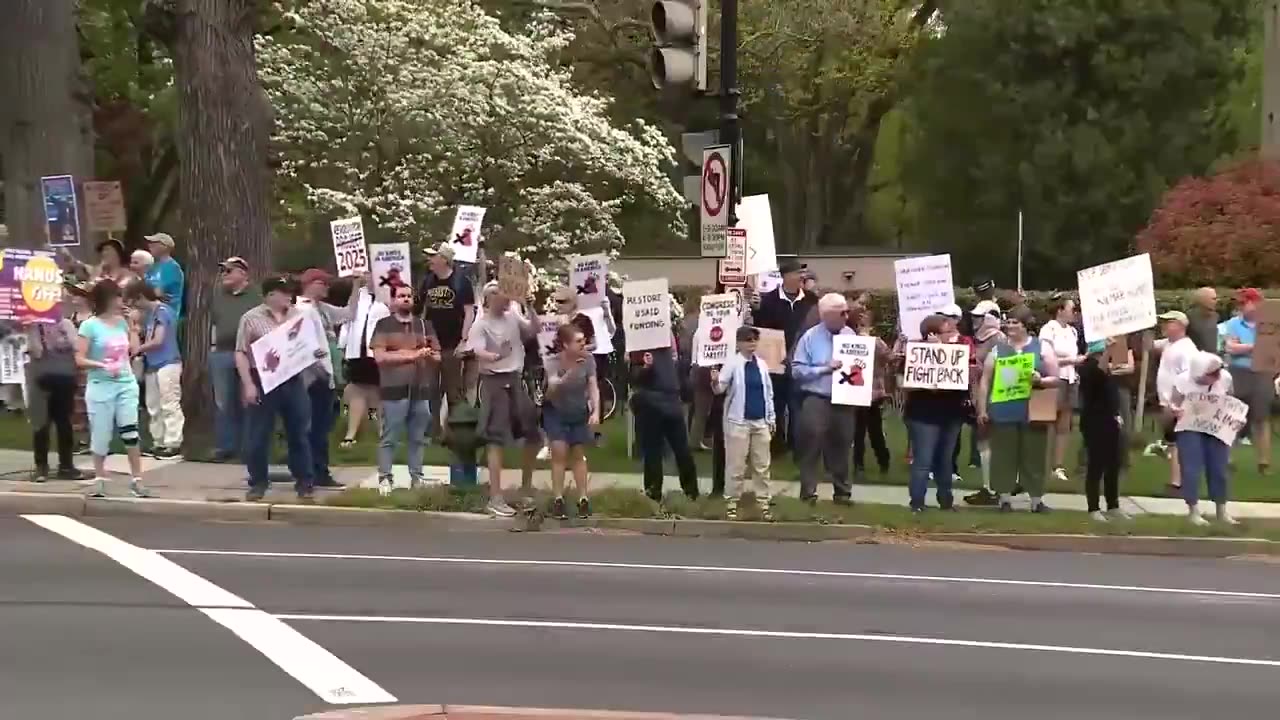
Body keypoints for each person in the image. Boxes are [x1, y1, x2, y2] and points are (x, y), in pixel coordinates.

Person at [235, 276, 320, 502]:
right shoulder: (251, 318)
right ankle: (258, 482)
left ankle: (304, 480)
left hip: (292, 379)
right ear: (270, 295)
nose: (288, 296)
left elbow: (307, 345)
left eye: (289, 292)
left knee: (299, 431)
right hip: (262, 379)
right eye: (283, 292)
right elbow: (241, 352)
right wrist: (248, 384)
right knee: (258, 434)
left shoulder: (298, 315)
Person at [976, 305, 1060, 513]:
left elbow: (1057, 377)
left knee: (1034, 454)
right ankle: (1004, 498)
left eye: (1015, 322)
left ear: (1026, 325)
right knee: (1003, 455)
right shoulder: (998, 350)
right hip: (1004, 409)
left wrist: (1041, 379)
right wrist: (982, 409)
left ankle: (1036, 500)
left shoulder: (1042, 347)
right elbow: (985, 381)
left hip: (1033, 410)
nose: (1010, 326)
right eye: (1009, 322)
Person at [468, 282, 540, 517]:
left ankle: (525, 488)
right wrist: (499, 354)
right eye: (501, 293)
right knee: (496, 439)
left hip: (515, 379)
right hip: (495, 383)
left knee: (533, 434)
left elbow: (533, 330)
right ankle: (495, 497)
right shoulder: (481, 324)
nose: (507, 295)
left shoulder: (513, 317)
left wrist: (530, 306)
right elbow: (478, 352)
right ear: (489, 299)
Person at [74, 280, 148, 498]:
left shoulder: (122, 322)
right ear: (105, 299)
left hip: (125, 382)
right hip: (100, 384)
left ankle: (137, 479)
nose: (120, 301)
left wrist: (134, 328)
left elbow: (133, 350)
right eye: (116, 296)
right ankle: (100, 478)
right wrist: (101, 365)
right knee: (101, 433)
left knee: (130, 431)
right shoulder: (90, 325)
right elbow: (79, 358)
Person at [371, 283, 441, 495]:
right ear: (393, 300)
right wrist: (411, 355)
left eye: (409, 296)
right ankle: (385, 477)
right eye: (401, 296)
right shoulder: (383, 325)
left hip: (420, 388)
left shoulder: (424, 325)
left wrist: (430, 355)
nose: (406, 299)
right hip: (393, 389)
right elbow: (380, 357)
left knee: (418, 437)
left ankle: (417, 477)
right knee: (390, 435)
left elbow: (438, 356)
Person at [791, 292, 857, 504]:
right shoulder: (809, 338)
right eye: (842, 313)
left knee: (842, 444)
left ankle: (842, 493)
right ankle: (808, 493)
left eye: (847, 312)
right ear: (826, 315)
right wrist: (823, 369)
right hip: (817, 397)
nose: (847, 316)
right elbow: (797, 370)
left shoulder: (850, 335)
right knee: (811, 445)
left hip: (845, 398)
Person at [297, 268, 360, 488]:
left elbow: (349, 313)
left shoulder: (322, 309)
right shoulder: (302, 310)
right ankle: (315, 471)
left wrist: (356, 286)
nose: (327, 287)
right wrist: (319, 372)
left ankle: (315, 469)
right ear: (311, 284)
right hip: (314, 377)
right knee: (315, 427)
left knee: (323, 426)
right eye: (323, 283)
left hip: (328, 375)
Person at [903, 314, 970, 512]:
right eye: (948, 331)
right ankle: (917, 503)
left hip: (951, 413)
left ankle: (946, 501)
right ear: (932, 334)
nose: (954, 335)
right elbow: (904, 383)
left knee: (945, 460)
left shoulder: (957, 353)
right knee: (923, 460)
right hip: (924, 414)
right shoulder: (915, 354)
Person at [753, 258, 819, 451]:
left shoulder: (811, 300)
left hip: (802, 360)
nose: (802, 276)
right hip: (775, 362)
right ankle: (776, 445)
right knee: (776, 404)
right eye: (798, 273)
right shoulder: (768, 300)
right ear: (786, 276)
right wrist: (757, 312)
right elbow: (760, 329)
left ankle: (797, 444)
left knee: (798, 405)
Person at [1169, 352, 1238, 526]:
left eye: (1217, 373)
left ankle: (1221, 510)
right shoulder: (1182, 380)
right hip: (1190, 426)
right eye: (1211, 374)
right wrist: (1175, 410)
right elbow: (1173, 402)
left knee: (1219, 468)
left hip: (1215, 427)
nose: (1216, 378)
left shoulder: (1225, 378)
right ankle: (1193, 510)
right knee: (1191, 468)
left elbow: (1231, 400)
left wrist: (1235, 418)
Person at [715, 325, 775, 518]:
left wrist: (771, 418)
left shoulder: (762, 364)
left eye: (754, 340)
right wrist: (715, 381)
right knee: (736, 464)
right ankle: (731, 501)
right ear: (739, 343)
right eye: (748, 340)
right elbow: (720, 388)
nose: (752, 344)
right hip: (738, 421)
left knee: (762, 464)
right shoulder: (733, 363)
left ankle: (763, 501)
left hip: (760, 421)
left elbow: (768, 393)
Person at [418, 244, 477, 436]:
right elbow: (423, 312)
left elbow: (469, 312)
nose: (429, 260)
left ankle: (454, 431)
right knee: (430, 389)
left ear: (444, 259)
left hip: (453, 344)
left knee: (453, 390)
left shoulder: (461, 282)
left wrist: (464, 338)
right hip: (432, 345)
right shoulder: (427, 282)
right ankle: (432, 431)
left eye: (432, 256)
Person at [631, 340, 700, 502]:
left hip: (671, 403)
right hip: (651, 405)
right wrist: (645, 367)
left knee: (681, 449)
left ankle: (691, 492)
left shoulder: (671, 352)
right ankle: (654, 492)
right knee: (653, 451)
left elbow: (682, 377)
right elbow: (634, 378)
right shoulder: (640, 349)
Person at [543, 323, 600, 519]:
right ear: (566, 345)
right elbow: (552, 390)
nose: (583, 343)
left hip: (578, 410)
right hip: (556, 410)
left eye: (584, 340)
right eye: (578, 341)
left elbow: (593, 386)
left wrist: (596, 411)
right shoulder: (552, 362)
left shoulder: (589, 360)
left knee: (578, 453)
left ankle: (583, 498)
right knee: (559, 451)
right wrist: (571, 370)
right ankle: (558, 499)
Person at [24, 304, 83, 482]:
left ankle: (66, 466)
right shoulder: (34, 326)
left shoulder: (66, 324)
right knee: (41, 423)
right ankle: (41, 467)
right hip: (41, 379)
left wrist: (61, 331)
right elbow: (37, 351)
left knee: (64, 423)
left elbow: (76, 346)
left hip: (64, 378)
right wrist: (31, 332)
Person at [210, 257, 260, 461]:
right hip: (221, 352)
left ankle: (250, 447)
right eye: (222, 271)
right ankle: (226, 446)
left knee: (247, 400)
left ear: (243, 274)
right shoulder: (219, 295)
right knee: (223, 401)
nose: (224, 275)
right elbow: (214, 322)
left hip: (248, 354)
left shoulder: (256, 296)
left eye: (229, 271)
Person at [126, 283, 184, 458]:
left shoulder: (162, 312)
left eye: (135, 303)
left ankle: (173, 442)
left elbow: (158, 340)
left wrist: (139, 349)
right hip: (152, 364)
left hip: (168, 362)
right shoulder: (150, 316)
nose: (136, 307)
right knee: (153, 405)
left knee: (169, 403)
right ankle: (158, 441)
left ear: (141, 297)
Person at [1078, 339, 1128, 521]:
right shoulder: (1087, 368)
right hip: (1094, 422)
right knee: (1096, 465)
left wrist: (1117, 414)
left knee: (1113, 464)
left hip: (1111, 421)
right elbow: (1097, 377)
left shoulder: (1109, 370)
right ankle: (1093, 508)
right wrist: (1107, 350)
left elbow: (1111, 394)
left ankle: (1113, 505)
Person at [1223, 288, 1272, 473]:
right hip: (1239, 371)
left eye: (1245, 302)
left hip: (1262, 371)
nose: (1241, 306)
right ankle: (1228, 458)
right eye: (1241, 303)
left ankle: (1264, 462)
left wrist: (1246, 347)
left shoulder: (1269, 324)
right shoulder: (1234, 323)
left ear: (1256, 303)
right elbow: (1231, 347)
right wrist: (1255, 346)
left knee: (1262, 418)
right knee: (1234, 415)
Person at [964, 303, 1006, 506]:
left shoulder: (997, 339)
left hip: (992, 398)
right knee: (984, 443)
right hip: (980, 394)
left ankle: (993, 489)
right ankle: (990, 487)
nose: (975, 321)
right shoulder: (981, 340)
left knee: (990, 443)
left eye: (979, 317)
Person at [340, 273, 387, 447]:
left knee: (378, 391)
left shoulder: (389, 293)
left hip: (379, 348)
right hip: (357, 349)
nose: (369, 277)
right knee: (358, 389)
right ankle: (351, 434)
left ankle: (382, 432)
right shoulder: (359, 294)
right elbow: (348, 316)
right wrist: (343, 345)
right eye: (367, 274)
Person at [1039, 294, 1081, 482]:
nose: (1074, 313)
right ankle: (1042, 464)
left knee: (1064, 424)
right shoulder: (1048, 330)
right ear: (1060, 310)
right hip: (1055, 378)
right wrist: (1072, 360)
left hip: (1071, 378)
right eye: (1071, 309)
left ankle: (1058, 466)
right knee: (1048, 422)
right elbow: (1046, 356)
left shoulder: (1072, 331)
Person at [1155, 311, 1197, 493]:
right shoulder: (1169, 344)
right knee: (1173, 442)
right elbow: (1149, 346)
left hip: (1178, 403)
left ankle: (1178, 482)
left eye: (1168, 322)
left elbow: (1188, 377)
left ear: (1181, 325)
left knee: (1179, 442)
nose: (1163, 326)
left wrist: (1177, 403)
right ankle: (1176, 480)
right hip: (1167, 402)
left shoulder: (1186, 349)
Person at [849, 306, 890, 480]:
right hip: (855, 390)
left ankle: (883, 460)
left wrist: (869, 340)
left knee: (874, 430)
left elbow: (887, 357)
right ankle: (859, 465)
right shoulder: (848, 338)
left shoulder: (877, 342)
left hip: (873, 392)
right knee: (857, 431)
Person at [143, 232, 185, 316]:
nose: (149, 245)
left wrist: (145, 291)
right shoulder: (153, 267)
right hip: (152, 316)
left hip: (166, 317)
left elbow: (158, 292)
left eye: (154, 243)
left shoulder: (172, 267)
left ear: (165, 246)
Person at [62, 239, 135, 287]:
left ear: (118, 254)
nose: (103, 253)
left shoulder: (127, 275)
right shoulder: (98, 271)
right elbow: (80, 266)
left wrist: (95, 278)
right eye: (102, 251)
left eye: (107, 250)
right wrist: (69, 258)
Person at [1186, 287, 1219, 353]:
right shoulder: (1188, 317)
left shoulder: (1216, 316)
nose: (1216, 301)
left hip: (1214, 358)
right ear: (1203, 300)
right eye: (1213, 299)